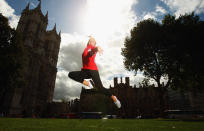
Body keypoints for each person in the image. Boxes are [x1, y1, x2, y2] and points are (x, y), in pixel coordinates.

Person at [68, 37, 121, 108]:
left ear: (94, 44)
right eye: (90, 41)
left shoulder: (93, 48)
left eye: (93, 41)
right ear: (88, 42)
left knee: (100, 88)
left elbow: (90, 53)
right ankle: (88, 83)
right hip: (85, 71)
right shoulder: (86, 48)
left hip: (93, 70)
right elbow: (87, 53)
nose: (91, 41)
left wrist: (96, 48)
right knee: (71, 74)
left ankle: (114, 99)